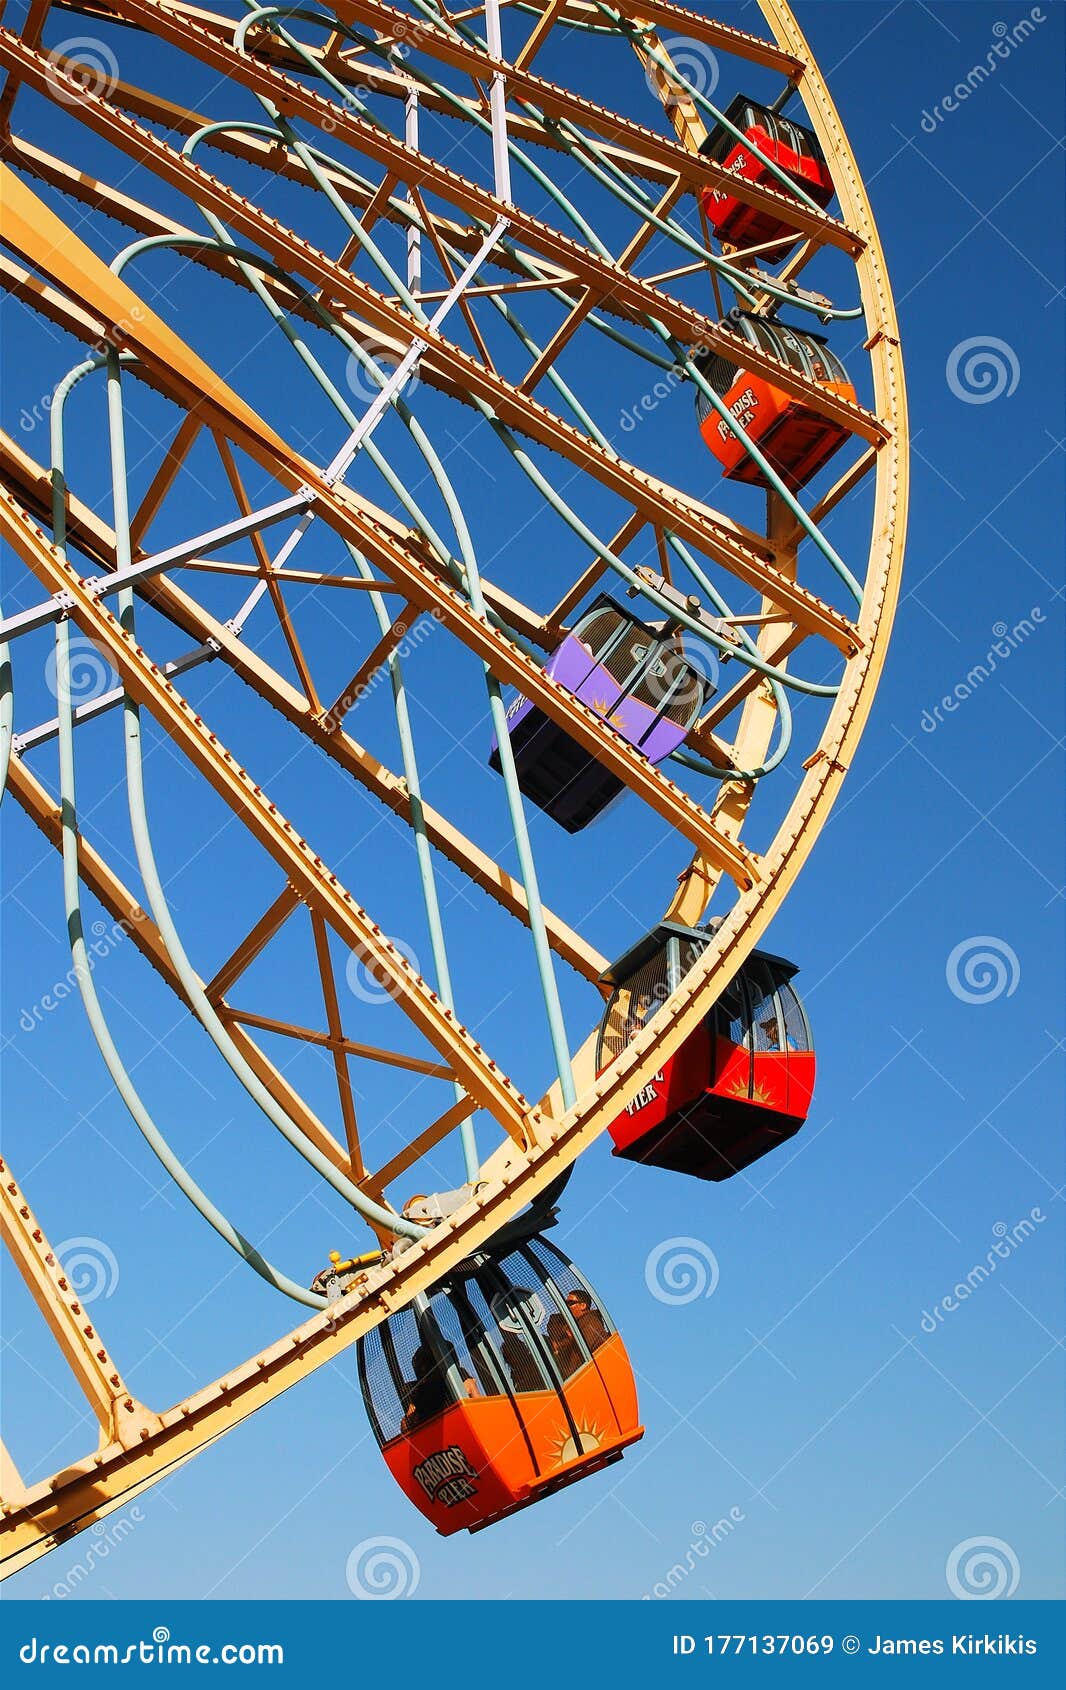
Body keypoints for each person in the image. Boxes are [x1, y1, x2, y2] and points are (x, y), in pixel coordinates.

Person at [545, 1312, 583, 1381]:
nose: (548, 1326)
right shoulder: (544, 1343)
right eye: (549, 1323)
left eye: (552, 1323)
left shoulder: (572, 1346)